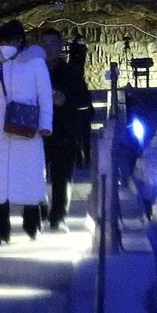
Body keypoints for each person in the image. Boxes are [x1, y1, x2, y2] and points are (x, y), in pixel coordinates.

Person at [0, 20, 53, 245]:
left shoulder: (35, 63)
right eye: (1, 41)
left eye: (8, 41)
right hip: (0, 126)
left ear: (19, 41)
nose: (3, 45)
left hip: (27, 124)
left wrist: (46, 123)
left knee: (29, 175)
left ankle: (32, 224)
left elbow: (44, 94)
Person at [42, 28, 86, 231]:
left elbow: (84, 100)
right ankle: (39, 212)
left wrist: (65, 100)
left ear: (60, 46)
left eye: (53, 43)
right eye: (45, 44)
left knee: (61, 177)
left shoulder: (70, 72)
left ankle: (57, 216)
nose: (49, 48)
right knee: (35, 175)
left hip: (63, 131)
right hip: (38, 132)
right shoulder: (34, 71)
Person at [68, 36, 94, 168]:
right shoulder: (77, 82)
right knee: (82, 135)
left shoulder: (74, 81)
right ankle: (84, 158)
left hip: (79, 109)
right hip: (80, 109)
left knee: (80, 135)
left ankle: (81, 159)